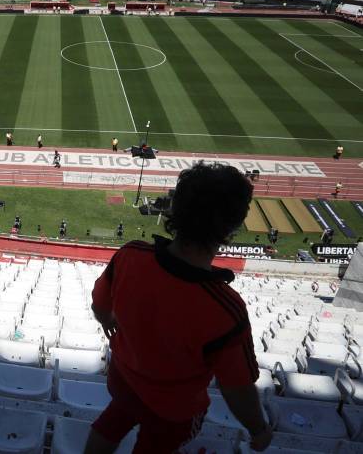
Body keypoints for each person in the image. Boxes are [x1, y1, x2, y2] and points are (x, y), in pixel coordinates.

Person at [85, 163, 271, 454]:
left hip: (123, 379)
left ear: (175, 209)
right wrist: (258, 428)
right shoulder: (226, 310)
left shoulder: (130, 257)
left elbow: (99, 305)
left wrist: (107, 319)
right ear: (231, 229)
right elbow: (237, 388)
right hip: (174, 410)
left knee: (111, 422)